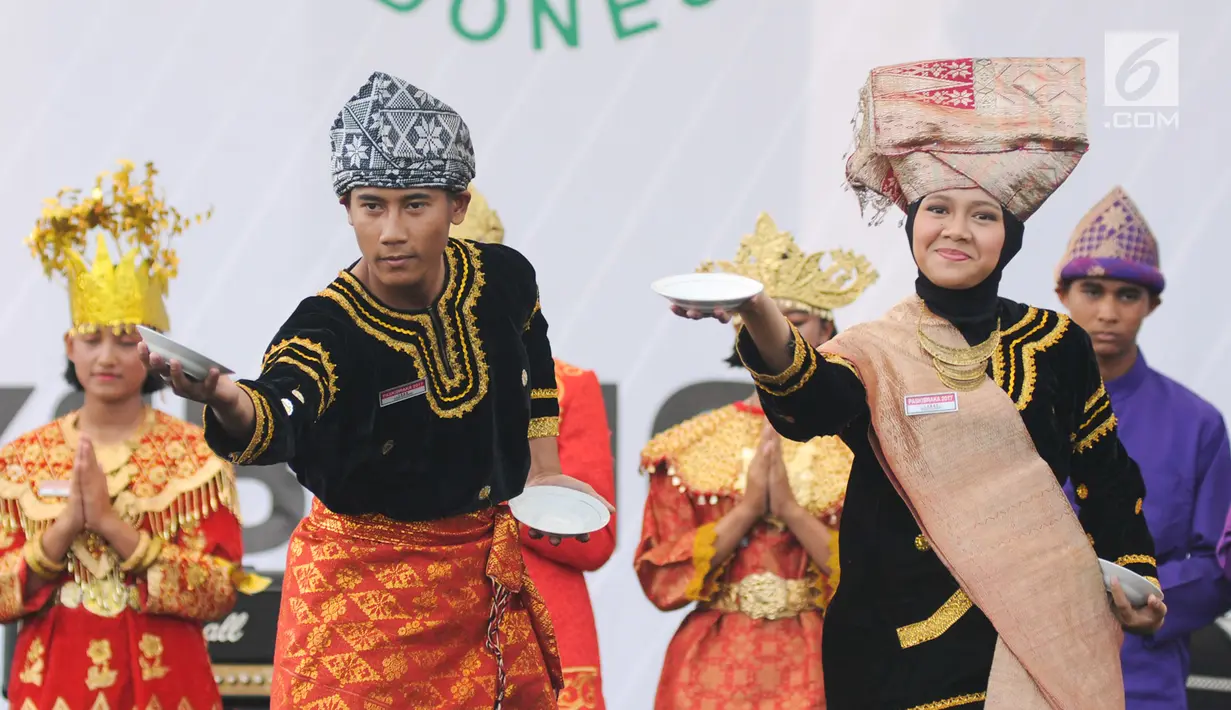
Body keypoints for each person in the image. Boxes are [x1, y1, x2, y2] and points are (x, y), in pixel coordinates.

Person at [674, 57, 1165, 709]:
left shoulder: (1053, 342)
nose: (956, 230)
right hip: (896, 644)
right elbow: (806, 407)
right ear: (913, 227)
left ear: (1008, 239)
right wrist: (757, 310)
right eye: (937, 209)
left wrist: (1133, 569)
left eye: (982, 216)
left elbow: (1105, 476)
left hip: (1033, 631)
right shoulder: (874, 349)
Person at [141, 71, 612, 710]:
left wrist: (545, 469)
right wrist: (227, 398)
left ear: (458, 207)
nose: (391, 230)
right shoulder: (327, 327)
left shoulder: (503, 279)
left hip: (480, 586)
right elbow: (282, 404)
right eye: (372, 206)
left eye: (415, 204)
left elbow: (533, 356)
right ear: (348, 210)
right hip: (360, 597)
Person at [1, 160, 260, 709]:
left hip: (167, 686)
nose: (106, 356)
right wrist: (65, 527)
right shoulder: (24, 459)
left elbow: (220, 591)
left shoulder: (197, 455)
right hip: (53, 687)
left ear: (153, 350)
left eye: (124, 340)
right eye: (91, 338)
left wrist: (119, 531)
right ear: (70, 346)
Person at [637, 213, 876, 709]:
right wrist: (745, 511)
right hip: (710, 667)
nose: (779, 329)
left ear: (828, 325)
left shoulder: (863, 443)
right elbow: (660, 579)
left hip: (821, 661)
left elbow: (884, 578)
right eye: (766, 315)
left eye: (797, 318)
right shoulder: (689, 445)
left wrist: (790, 512)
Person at [1055, 185, 1231, 709]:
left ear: (1151, 303)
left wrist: (1132, 595)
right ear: (1062, 295)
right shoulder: (1015, 408)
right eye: (1092, 290)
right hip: (1024, 657)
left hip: (1144, 671)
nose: (1108, 311)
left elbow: (1216, 564)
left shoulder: (1197, 422)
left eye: (1127, 295)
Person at [451, 186, 618, 710]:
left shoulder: (568, 387)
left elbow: (595, 540)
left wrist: (492, 491)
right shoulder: (388, 376)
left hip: (541, 627)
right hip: (428, 614)